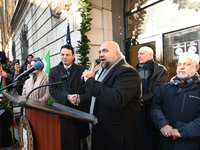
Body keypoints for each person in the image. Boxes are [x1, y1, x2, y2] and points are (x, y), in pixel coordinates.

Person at [80, 41, 143, 150]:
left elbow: (116, 99)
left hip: (118, 138)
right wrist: (82, 93)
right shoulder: (105, 71)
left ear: (117, 53)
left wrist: (91, 81)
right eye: (100, 51)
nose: (101, 54)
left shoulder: (127, 72)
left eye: (105, 51)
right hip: (103, 133)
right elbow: (99, 95)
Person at [151, 52, 200, 150]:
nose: (181, 67)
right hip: (165, 142)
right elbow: (155, 108)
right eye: (180, 64)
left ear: (197, 67)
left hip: (190, 144)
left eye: (187, 64)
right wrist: (163, 125)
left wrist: (182, 132)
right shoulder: (165, 88)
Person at [49, 45, 91, 150]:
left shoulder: (83, 70)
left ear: (73, 56)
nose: (64, 57)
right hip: (62, 114)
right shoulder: (54, 71)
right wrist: (67, 96)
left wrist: (80, 98)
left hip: (79, 113)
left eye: (67, 55)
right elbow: (52, 90)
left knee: (81, 144)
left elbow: (89, 92)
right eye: (62, 54)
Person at [135, 46, 169, 150]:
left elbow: (159, 90)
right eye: (138, 54)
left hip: (152, 109)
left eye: (142, 54)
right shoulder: (134, 70)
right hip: (137, 110)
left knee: (152, 139)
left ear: (151, 55)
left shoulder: (160, 70)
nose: (139, 56)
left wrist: (141, 100)